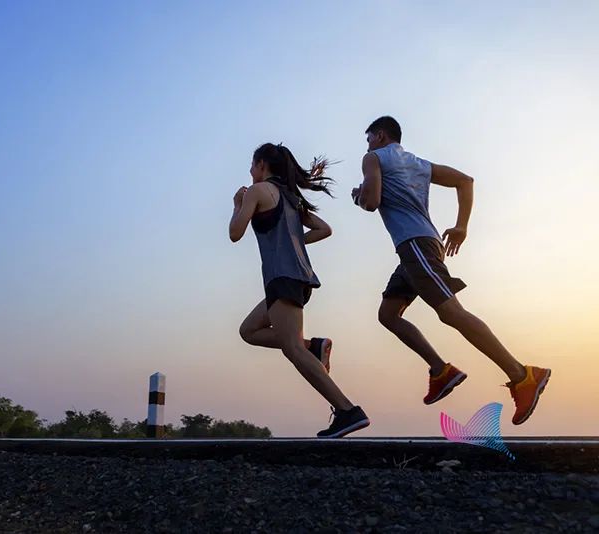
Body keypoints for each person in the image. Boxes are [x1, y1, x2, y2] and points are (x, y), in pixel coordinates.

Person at [352, 116, 550, 425]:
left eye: (368, 139)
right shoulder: (416, 162)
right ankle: (440, 371)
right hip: (420, 247)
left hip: (415, 246)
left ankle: (522, 375)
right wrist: (461, 226)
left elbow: (372, 201)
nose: (366, 145)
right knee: (388, 315)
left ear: (379, 135)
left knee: (451, 313)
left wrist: (361, 195)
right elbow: (465, 181)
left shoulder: (372, 158)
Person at [230, 142, 369, 438]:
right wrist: (292, 241)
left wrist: (237, 205)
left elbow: (234, 233)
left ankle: (348, 411)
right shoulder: (291, 198)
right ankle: (314, 347)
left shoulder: (257, 192)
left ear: (263, 165)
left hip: (282, 277)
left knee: (291, 348)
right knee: (249, 331)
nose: (250, 171)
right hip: (298, 278)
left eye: (252, 165)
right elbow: (323, 228)